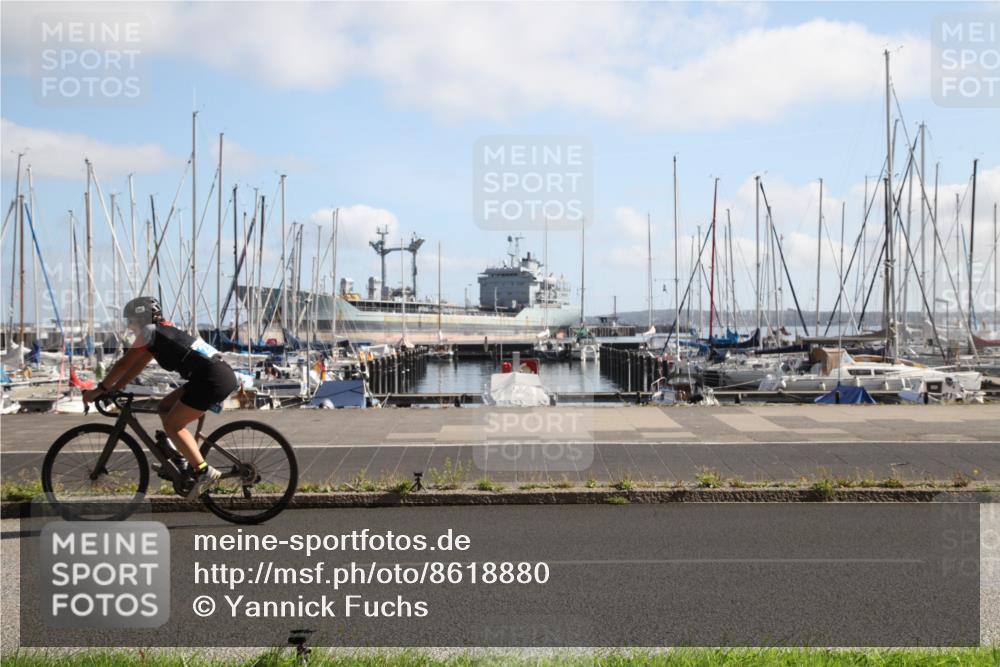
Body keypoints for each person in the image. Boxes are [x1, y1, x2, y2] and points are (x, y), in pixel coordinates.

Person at [82, 296, 239, 499]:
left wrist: (101, 388)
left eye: (131, 321)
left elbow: (123, 364)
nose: (129, 326)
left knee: (173, 425)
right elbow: (137, 365)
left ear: (143, 318)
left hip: (211, 378)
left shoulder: (149, 331)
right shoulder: (159, 333)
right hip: (212, 375)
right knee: (164, 407)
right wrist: (115, 389)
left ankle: (204, 471)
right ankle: (180, 458)